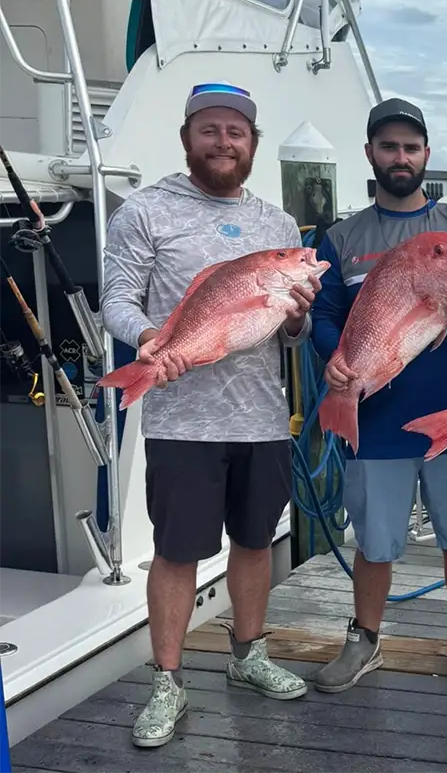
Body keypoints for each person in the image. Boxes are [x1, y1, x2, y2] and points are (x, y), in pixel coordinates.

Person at [99, 82, 319, 748]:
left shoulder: (279, 227)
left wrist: (300, 317)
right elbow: (116, 298)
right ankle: (168, 680)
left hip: (259, 420)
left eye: (237, 133)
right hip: (180, 421)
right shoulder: (146, 211)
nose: (224, 143)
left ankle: (247, 656)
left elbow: (291, 334)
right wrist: (148, 343)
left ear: (252, 143)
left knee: (255, 544)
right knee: (177, 552)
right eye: (211, 130)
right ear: (188, 135)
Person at [308, 98, 447, 696]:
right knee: (374, 539)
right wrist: (335, 362)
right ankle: (364, 638)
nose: (401, 156)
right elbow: (323, 315)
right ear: (371, 153)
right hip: (375, 418)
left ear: (426, 154)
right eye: (389, 146)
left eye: (411, 147)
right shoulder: (341, 237)